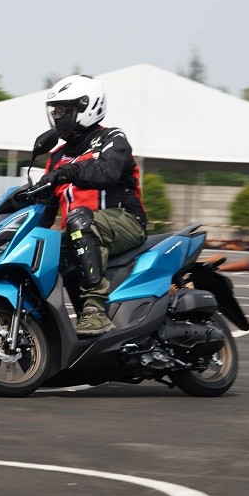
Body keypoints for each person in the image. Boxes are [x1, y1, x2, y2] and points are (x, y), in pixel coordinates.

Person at [36, 75, 148, 337]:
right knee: (44, 249)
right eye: (55, 110)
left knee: (78, 220)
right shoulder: (56, 157)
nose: (58, 116)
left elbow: (106, 172)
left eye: (64, 110)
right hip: (80, 233)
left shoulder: (112, 139)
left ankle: (95, 313)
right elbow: (44, 211)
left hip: (126, 221)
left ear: (87, 107)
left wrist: (67, 173)